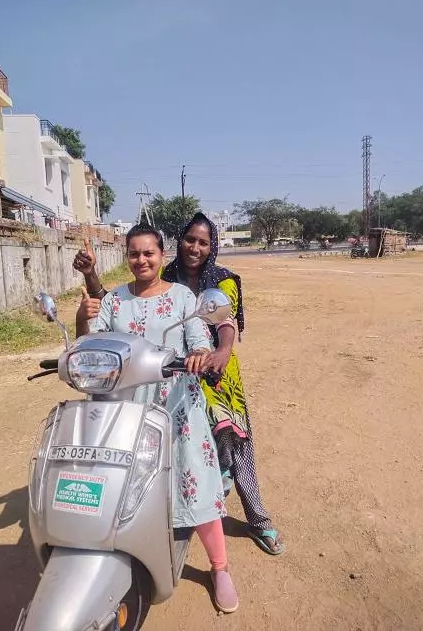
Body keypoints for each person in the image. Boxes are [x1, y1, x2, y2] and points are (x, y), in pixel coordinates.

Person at [74, 219, 284, 555]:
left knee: (232, 445)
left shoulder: (221, 280)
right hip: (145, 389)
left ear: (211, 245)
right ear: (178, 243)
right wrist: (89, 280)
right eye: (190, 240)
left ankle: (256, 520)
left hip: (210, 374)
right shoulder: (166, 275)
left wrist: (216, 352)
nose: (195, 248)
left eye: (203, 242)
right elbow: (112, 309)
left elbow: (223, 322)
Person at [76, 224, 238, 614]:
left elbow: (198, 336)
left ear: (161, 255)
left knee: (195, 482)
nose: (141, 260)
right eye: (134, 254)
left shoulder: (183, 296)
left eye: (148, 253)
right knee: (123, 486)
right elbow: (89, 343)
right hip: (127, 408)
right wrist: (82, 316)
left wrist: (200, 353)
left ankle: (220, 568)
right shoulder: (114, 300)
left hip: (179, 407)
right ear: (127, 257)